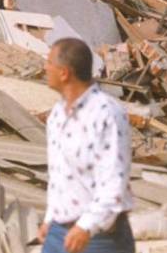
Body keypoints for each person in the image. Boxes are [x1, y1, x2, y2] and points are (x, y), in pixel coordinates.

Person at [38, 38, 135, 253]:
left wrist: (86, 227)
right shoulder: (57, 115)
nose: (45, 68)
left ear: (64, 73)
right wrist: (50, 217)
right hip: (59, 232)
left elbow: (114, 180)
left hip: (98, 238)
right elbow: (59, 174)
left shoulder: (106, 113)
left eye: (49, 63)